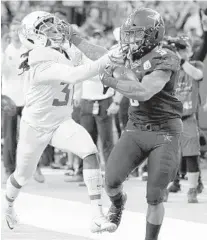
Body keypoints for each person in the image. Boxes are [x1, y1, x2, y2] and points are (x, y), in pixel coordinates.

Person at [4, 10, 117, 233]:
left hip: (61, 122)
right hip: (35, 128)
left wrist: (112, 73)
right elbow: (75, 75)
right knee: (22, 176)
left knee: (89, 151)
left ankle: (97, 215)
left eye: (53, 26)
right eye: (45, 29)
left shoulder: (66, 50)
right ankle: (7, 206)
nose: (53, 31)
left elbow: (91, 67)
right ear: (31, 36)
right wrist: (108, 59)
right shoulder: (36, 61)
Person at [99, 8, 183, 240]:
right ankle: (118, 205)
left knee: (154, 195)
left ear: (153, 35)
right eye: (129, 34)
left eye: (137, 35)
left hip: (164, 131)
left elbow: (144, 92)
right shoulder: (127, 55)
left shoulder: (166, 57)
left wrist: (109, 77)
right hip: (136, 127)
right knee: (111, 180)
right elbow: (98, 55)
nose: (130, 40)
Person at [1, 20, 44, 184]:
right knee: (9, 136)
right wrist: (3, 53)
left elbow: (33, 75)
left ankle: (35, 167)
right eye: (12, 30)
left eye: (17, 30)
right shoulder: (5, 50)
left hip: (28, 98)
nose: (14, 33)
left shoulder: (29, 50)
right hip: (9, 98)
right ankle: (8, 170)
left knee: (31, 135)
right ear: (9, 33)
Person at [164, 35, 204, 203]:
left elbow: (197, 75)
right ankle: (165, 187)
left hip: (187, 117)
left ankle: (193, 189)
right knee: (167, 154)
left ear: (190, 51)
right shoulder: (167, 68)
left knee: (191, 154)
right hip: (169, 118)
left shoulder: (195, 64)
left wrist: (181, 61)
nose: (180, 52)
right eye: (177, 49)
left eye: (183, 49)